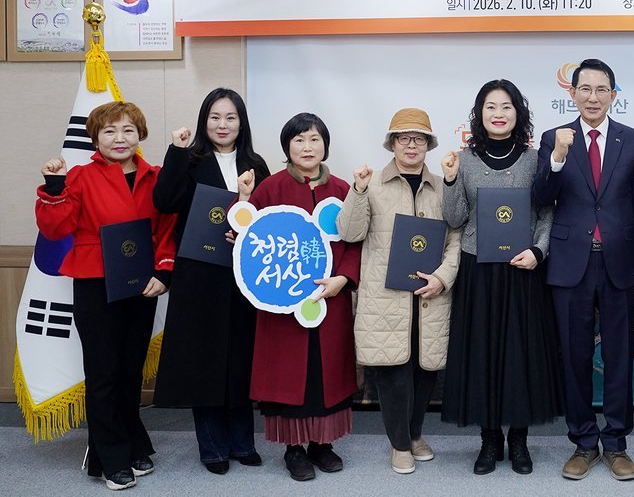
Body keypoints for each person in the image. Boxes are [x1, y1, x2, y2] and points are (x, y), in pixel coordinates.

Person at [36, 101, 176, 490]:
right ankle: (109, 458)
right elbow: (54, 229)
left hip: (142, 285)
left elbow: (168, 230)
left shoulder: (156, 177)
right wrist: (54, 187)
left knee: (130, 371)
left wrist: (164, 271)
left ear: (140, 135)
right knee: (103, 373)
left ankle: (131, 443)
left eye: (128, 130)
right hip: (95, 284)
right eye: (109, 131)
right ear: (95, 138)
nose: (119, 138)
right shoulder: (79, 177)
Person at [532, 59, 634, 482]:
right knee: (575, 356)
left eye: (602, 89)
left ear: (613, 95)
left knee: (620, 354)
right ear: (572, 93)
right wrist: (557, 157)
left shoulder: (633, 140)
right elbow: (540, 198)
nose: (593, 97)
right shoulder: (554, 138)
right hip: (571, 263)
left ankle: (616, 442)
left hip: (621, 262)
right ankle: (584, 442)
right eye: (584, 89)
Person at [439, 79, 562, 475]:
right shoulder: (463, 159)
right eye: (490, 106)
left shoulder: (534, 159)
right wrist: (450, 180)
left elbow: (547, 211)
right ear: (480, 114)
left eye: (506, 106)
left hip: (523, 269)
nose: (498, 113)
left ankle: (520, 440)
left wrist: (539, 251)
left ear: (517, 113)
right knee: (483, 353)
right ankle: (489, 439)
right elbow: (455, 218)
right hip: (478, 269)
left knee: (521, 355)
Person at [336, 108, 461, 475]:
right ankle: (400, 444)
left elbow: (456, 238)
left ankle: (416, 433)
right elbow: (350, 232)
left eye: (419, 139)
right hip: (386, 297)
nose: (411, 145)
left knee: (425, 370)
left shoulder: (442, 186)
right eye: (403, 138)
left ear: (429, 145)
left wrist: (442, 278)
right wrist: (358, 191)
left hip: (429, 296)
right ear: (391, 143)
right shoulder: (371, 183)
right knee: (393, 373)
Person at [153, 88, 271, 475]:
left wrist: (248, 230)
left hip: (242, 275)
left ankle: (242, 442)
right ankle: (212, 447)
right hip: (199, 275)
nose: (223, 125)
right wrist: (175, 151)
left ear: (242, 123)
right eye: (215, 117)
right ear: (205, 121)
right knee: (204, 360)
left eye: (230, 117)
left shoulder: (255, 164)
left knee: (239, 357)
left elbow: (268, 216)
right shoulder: (190, 159)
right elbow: (165, 201)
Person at [238, 112, 362, 482]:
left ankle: (322, 444)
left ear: (325, 145)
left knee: (326, 374)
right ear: (287, 147)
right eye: (299, 140)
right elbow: (247, 236)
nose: (307, 147)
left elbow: (357, 241)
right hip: (283, 306)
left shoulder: (343, 190)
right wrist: (242, 200)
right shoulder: (269, 189)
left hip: (330, 299)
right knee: (290, 374)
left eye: (314, 139)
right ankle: (293, 449)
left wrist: (343, 279)